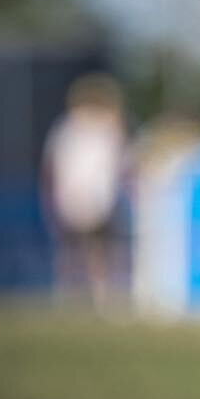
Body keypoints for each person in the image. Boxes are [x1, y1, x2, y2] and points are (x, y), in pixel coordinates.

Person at [43, 72, 127, 307]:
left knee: (94, 251)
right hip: (82, 198)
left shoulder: (88, 130)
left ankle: (94, 295)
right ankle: (77, 294)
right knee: (80, 251)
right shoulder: (71, 131)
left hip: (94, 199)